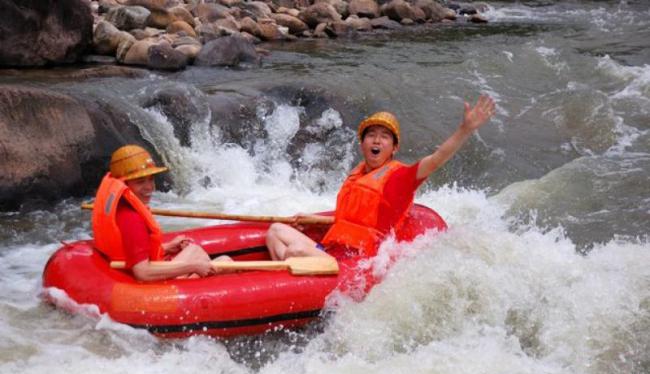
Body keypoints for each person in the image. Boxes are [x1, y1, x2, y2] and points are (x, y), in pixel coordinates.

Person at [266, 95, 496, 259]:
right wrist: (314, 219)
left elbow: (437, 158)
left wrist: (465, 129)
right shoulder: (357, 175)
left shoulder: (399, 178)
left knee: (295, 251)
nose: (376, 140)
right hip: (331, 252)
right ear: (362, 144)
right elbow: (352, 221)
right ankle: (291, 279)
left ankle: (288, 281)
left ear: (394, 148)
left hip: (357, 263)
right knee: (276, 230)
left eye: (384, 137)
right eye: (371, 136)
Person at [91, 144, 230, 281]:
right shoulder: (131, 219)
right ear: (125, 184)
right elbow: (142, 272)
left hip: (129, 274)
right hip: (151, 286)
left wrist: (167, 248)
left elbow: (131, 250)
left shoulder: (122, 207)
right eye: (140, 182)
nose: (149, 187)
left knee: (195, 251)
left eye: (151, 179)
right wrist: (193, 267)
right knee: (226, 262)